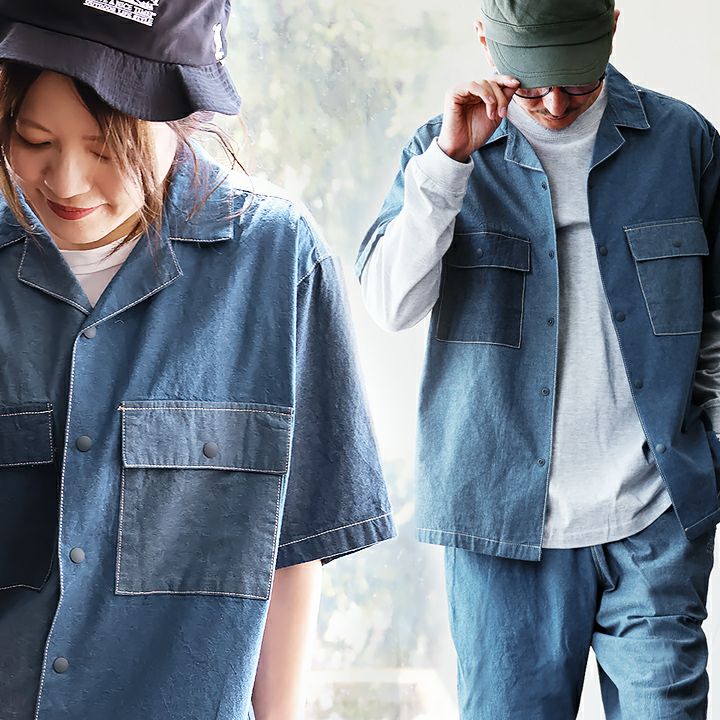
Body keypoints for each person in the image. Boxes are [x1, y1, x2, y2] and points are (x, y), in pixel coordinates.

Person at [0, 2, 396, 719]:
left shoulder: (278, 260)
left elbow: (292, 548)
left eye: (105, 150)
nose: (66, 181)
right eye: (33, 140)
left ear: (182, 118)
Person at [357, 0, 720, 717]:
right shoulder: (440, 152)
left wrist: (710, 449)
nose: (555, 103)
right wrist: (450, 165)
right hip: (500, 533)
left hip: (654, 523)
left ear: (612, 25)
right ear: (484, 38)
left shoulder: (683, 143)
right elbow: (390, 305)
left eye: (577, 81)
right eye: (532, 84)